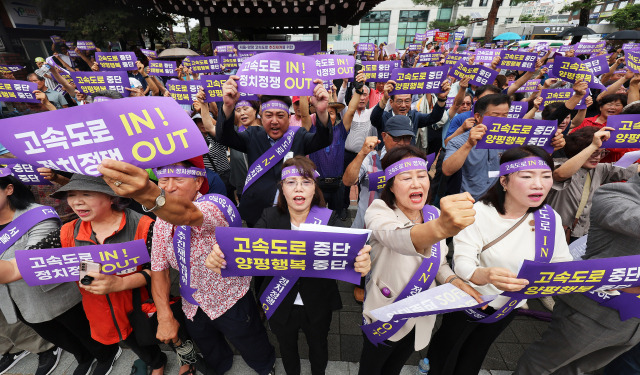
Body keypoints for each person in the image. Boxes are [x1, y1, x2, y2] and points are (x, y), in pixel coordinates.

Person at [97, 158, 277, 375]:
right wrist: (164, 315)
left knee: (251, 340)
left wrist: (145, 191)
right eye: (163, 179)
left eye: (179, 179)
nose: (169, 186)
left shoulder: (214, 206)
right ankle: (220, 366)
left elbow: (186, 215)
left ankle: (265, 366)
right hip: (192, 305)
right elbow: (159, 270)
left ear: (199, 182)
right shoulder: (161, 225)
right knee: (209, 347)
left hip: (230, 299)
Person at [206, 156, 372, 375]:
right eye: (291, 182)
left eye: (306, 182)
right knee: (287, 347)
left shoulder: (329, 219)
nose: (298, 188)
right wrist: (220, 256)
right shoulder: (268, 217)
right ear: (282, 189)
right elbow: (244, 249)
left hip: (318, 302)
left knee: (319, 347)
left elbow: (348, 257)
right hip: (279, 301)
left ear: (315, 188)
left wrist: (361, 262)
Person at [427, 146, 573, 375]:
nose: (539, 184)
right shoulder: (479, 213)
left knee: (476, 353)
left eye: (546, 176)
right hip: (470, 300)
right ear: (504, 181)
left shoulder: (548, 218)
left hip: (508, 306)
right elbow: (463, 261)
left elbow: (562, 262)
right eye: (527, 176)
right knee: (447, 350)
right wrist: (483, 274)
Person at [358, 145, 480, 375]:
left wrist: (454, 280)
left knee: (394, 367)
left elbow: (439, 263)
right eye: (405, 178)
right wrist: (440, 228)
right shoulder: (379, 210)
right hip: (385, 315)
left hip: (419, 316)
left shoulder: (432, 213)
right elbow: (396, 237)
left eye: (421, 175)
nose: (416, 183)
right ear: (391, 185)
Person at [514, 162, 640, 375]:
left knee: (576, 370)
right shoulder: (614, 195)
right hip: (593, 313)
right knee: (542, 365)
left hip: (631, 321)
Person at [0, 174, 116, 375]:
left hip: (54, 294)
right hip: (17, 301)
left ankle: (107, 355)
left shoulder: (36, 214)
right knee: (58, 337)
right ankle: (84, 358)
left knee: (83, 330)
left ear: (9, 190)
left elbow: (33, 258)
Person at [215, 75, 333, 227]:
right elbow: (224, 137)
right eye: (269, 115)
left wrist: (322, 111)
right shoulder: (252, 135)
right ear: (261, 117)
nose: (274, 121)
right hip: (257, 212)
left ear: (289, 117)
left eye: (280, 115)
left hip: (292, 213)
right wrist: (228, 106)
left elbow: (324, 139)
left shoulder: (298, 136)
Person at [442, 94, 566, 200]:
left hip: (503, 202)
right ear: (478, 117)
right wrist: (469, 145)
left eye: (505, 115)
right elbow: (448, 169)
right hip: (470, 203)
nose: (501, 120)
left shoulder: (513, 138)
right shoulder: (459, 141)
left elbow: (530, 163)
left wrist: (551, 147)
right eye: (495, 115)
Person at [549, 126, 640, 243]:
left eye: (602, 153)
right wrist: (593, 145)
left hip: (582, 235)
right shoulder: (558, 164)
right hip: (555, 233)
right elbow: (560, 175)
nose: (597, 157)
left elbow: (632, 169)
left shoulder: (600, 169)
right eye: (594, 153)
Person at [370, 79, 450, 150]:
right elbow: (374, 119)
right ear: (391, 102)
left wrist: (441, 99)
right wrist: (384, 98)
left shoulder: (414, 116)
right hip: (387, 161)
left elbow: (434, 118)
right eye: (399, 101)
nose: (403, 105)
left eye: (407, 101)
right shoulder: (384, 117)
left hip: (408, 161)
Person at [308, 101, 349, 216]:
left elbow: (350, 112)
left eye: (331, 113)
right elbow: (305, 115)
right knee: (315, 220)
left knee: (336, 222)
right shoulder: (312, 131)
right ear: (317, 115)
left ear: (336, 116)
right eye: (323, 113)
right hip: (317, 185)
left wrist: (358, 91)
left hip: (337, 185)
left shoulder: (341, 131)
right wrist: (304, 91)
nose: (326, 116)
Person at [570, 93, 632, 162]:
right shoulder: (585, 121)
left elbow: (620, 148)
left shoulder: (624, 125)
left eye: (617, 105)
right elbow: (572, 139)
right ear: (600, 107)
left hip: (609, 165)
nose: (612, 107)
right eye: (609, 104)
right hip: (582, 161)